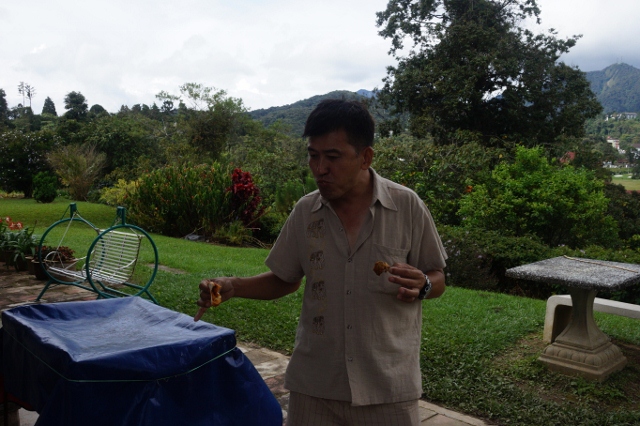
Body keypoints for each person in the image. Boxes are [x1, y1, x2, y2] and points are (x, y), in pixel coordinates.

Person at [195, 99, 447, 426]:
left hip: (387, 388)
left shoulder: (406, 206)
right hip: (315, 386)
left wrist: (424, 285)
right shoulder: (306, 211)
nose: (320, 168)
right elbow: (285, 278)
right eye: (313, 155)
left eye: (333, 157)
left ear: (365, 157)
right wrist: (234, 286)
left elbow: (437, 277)